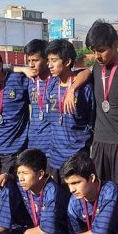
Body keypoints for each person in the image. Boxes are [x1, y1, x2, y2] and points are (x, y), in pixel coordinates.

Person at [68, 20, 118, 184]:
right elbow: (84, 73)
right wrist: (72, 90)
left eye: (101, 50)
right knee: (98, 189)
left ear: (115, 45)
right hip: (100, 142)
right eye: (93, 51)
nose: (97, 55)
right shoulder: (96, 67)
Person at [45, 39, 95, 181]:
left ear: (67, 62)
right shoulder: (52, 85)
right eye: (49, 60)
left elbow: (91, 121)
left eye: (54, 60)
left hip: (77, 156)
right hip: (55, 157)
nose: (50, 65)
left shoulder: (85, 89)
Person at [22, 39, 54, 156]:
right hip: (34, 144)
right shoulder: (29, 80)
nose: (31, 64)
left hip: (53, 146)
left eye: (35, 60)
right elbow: (8, 69)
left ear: (47, 60)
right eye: (29, 60)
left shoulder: (57, 80)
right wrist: (23, 69)